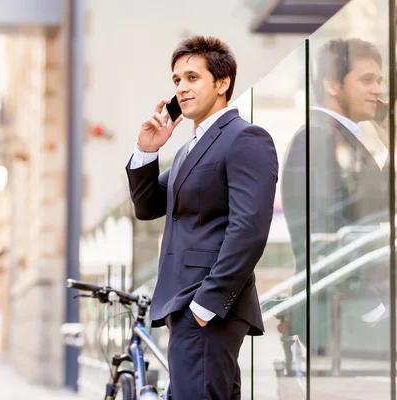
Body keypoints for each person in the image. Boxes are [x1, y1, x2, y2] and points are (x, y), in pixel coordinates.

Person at [126, 35, 278, 399]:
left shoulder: (245, 138)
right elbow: (148, 207)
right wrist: (146, 152)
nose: (181, 88)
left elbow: (249, 230)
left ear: (222, 83)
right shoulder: (187, 151)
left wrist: (206, 305)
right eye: (176, 80)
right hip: (187, 305)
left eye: (192, 77)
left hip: (208, 306)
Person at [281, 38, 390, 354]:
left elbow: (375, 211)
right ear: (332, 83)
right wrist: (375, 310)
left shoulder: (340, 138)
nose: (378, 90)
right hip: (345, 318)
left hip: (353, 315)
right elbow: (326, 236)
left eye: (379, 80)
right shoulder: (317, 138)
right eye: (367, 79)